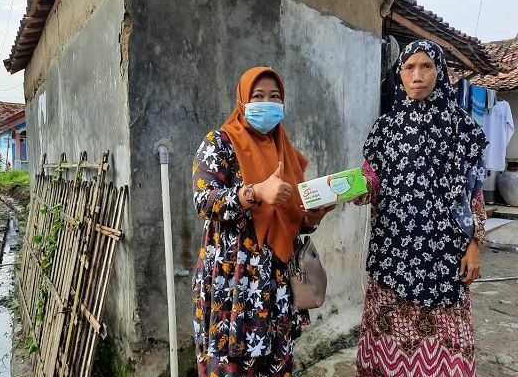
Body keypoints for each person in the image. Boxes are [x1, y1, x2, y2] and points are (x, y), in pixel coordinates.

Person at [353, 40, 488, 376]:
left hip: (445, 254)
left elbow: (474, 195)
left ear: (440, 73)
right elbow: (372, 178)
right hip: (393, 251)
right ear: (399, 74)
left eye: (426, 66)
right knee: (390, 337)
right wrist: (355, 189)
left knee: (445, 345)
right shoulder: (385, 129)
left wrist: (474, 246)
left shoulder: (464, 130)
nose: (417, 75)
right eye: (409, 67)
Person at [192, 66, 334, 376]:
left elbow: (293, 218)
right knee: (231, 363)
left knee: (275, 363)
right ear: (242, 100)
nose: (266, 103)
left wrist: (314, 216)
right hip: (233, 280)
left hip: (277, 282)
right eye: (258, 96)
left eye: (274, 97)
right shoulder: (219, 143)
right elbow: (204, 202)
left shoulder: (286, 150)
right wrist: (254, 192)